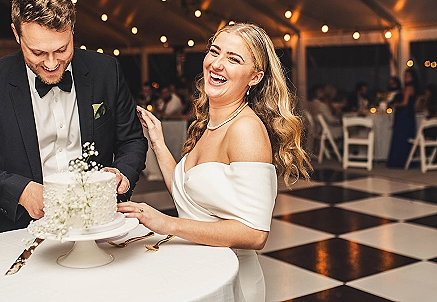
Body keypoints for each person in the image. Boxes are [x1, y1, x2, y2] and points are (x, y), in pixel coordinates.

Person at [119, 22, 311, 302]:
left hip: (233, 281)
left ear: (255, 77)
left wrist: (167, 224)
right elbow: (187, 197)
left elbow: (255, 233)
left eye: (234, 59)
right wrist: (158, 142)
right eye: (215, 52)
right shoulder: (209, 124)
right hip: (201, 270)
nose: (217, 64)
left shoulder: (245, 130)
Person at [0, 0, 148, 236]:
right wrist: (20, 190)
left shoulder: (105, 71)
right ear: (16, 34)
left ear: (72, 29)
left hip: (98, 226)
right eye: (38, 52)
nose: (51, 63)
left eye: (61, 49)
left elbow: (132, 140)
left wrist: (122, 173)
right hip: (17, 231)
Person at [387, 68, 419, 168]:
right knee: (400, 138)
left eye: (407, 76)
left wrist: (395, 105)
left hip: (404, 115)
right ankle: (400, 161)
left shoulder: (409, 88)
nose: (405, 78)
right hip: (404, 114)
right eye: (404, 75)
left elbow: (405, 103)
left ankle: (398, 161)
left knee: (401, 138)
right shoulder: (406, 88)